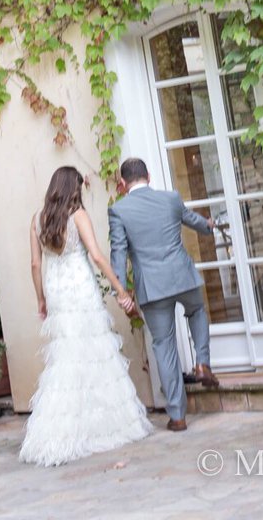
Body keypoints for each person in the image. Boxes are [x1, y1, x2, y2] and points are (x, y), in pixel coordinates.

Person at [19, 165, 153, 466]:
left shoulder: (37, 220)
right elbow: (96, 255)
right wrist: (120, 290)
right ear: (73, 188)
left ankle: (59, 429)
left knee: (67, 354)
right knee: (93, 350)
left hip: (56, 289)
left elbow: (35, 265)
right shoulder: (77, 214)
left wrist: (41, 298)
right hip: (79, 286)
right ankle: (100, 426)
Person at [108, 157, 219, 433]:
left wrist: (121, 291)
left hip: (153, 288)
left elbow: (118, 253)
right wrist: (209, 225)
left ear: (122, 184)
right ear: (148, 176)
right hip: (182, 276)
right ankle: (202, 362)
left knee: (164, 346)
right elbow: (196, 222)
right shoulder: (170, 198)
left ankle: (178, 416)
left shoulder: (119, 211)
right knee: (197, 311)